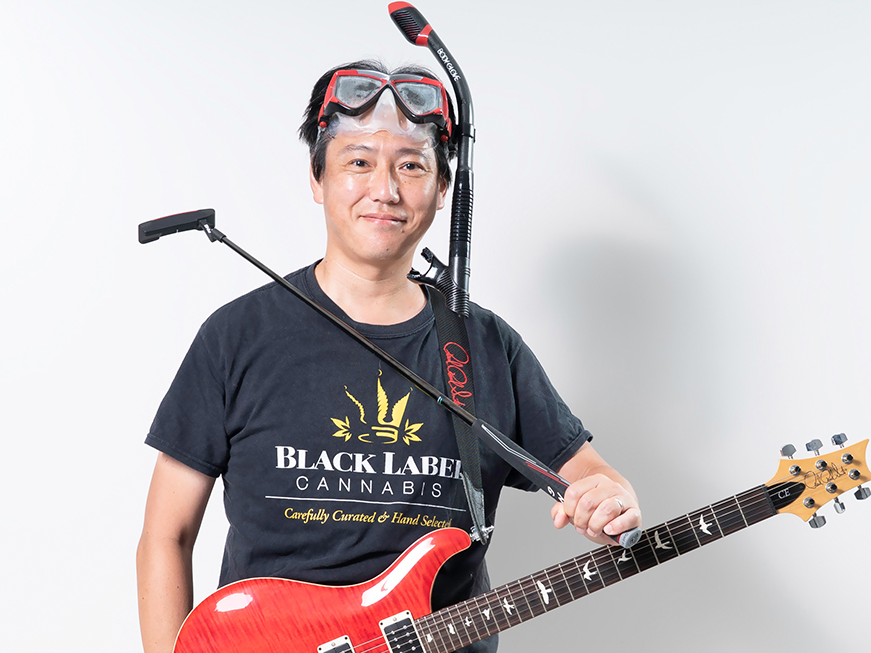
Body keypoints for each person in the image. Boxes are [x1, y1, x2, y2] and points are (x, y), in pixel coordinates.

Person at [135, 60, 641, 653]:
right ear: (317, 178)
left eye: (411, 165)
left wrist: (614, 499)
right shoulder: (236, 336)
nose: (385, 189)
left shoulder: (487, 347)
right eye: (359, 162)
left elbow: (592, 476)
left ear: (443, 189)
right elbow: (166, 535)